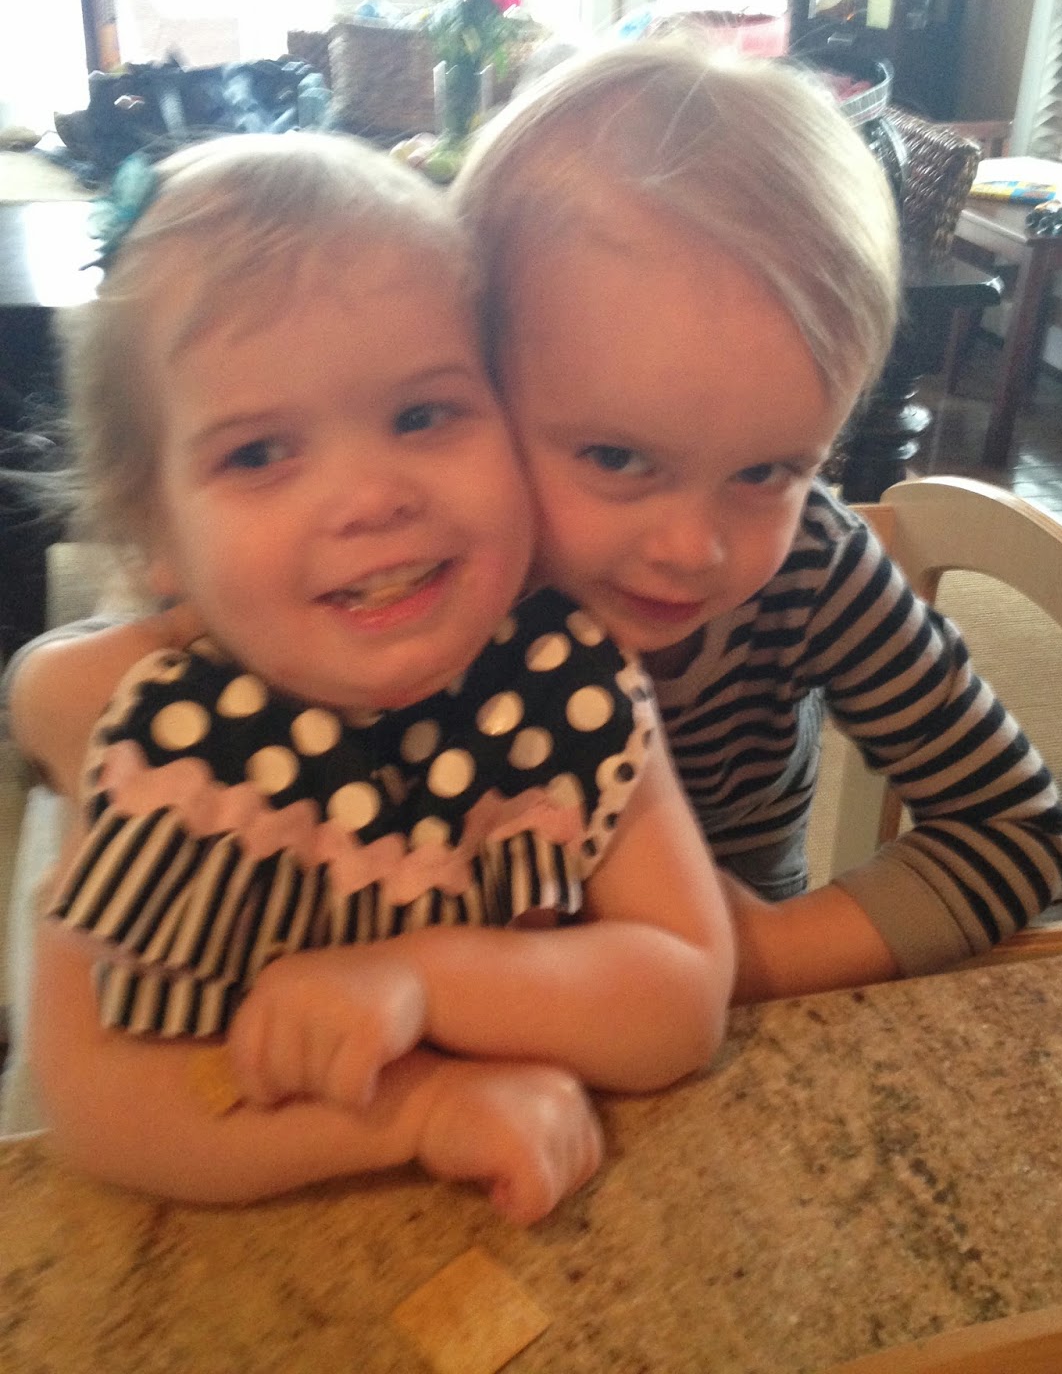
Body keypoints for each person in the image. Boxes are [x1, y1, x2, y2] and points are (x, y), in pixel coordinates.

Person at [10, 132, 733, 1217]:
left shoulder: (567, 687)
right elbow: (103, 1102)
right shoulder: (160, 741)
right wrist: (417, 1111)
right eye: (259, 453)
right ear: (157, 535)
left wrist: (420, 978)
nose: (369, 495)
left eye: (422, 415)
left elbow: (681, 998)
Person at [451, 37, 1062, 1000]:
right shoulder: (428, 571)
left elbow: (1014, 825)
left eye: (766, 471)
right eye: (617, 458)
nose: (691, 550)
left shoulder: (814, 571)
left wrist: (763, 956)